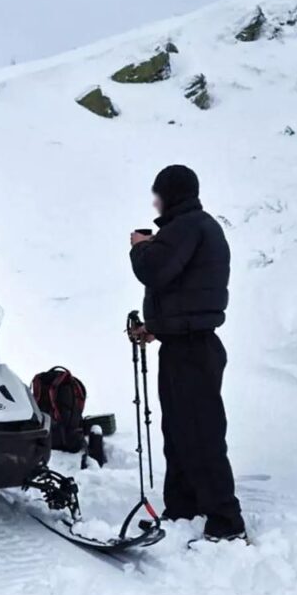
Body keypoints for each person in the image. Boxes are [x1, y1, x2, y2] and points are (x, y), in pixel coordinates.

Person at [129, 164, 247, 542]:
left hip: (193, 347)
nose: (154, 201)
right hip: (188, 343)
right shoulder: (196, 226)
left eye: (158, 193)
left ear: (171, 194)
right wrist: (157, 328)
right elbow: (187, 291)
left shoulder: (185, 226)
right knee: (180, 429)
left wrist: (139, 248)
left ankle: (226, 521)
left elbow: (155, 270)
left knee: (200, 433)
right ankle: (182, 507)